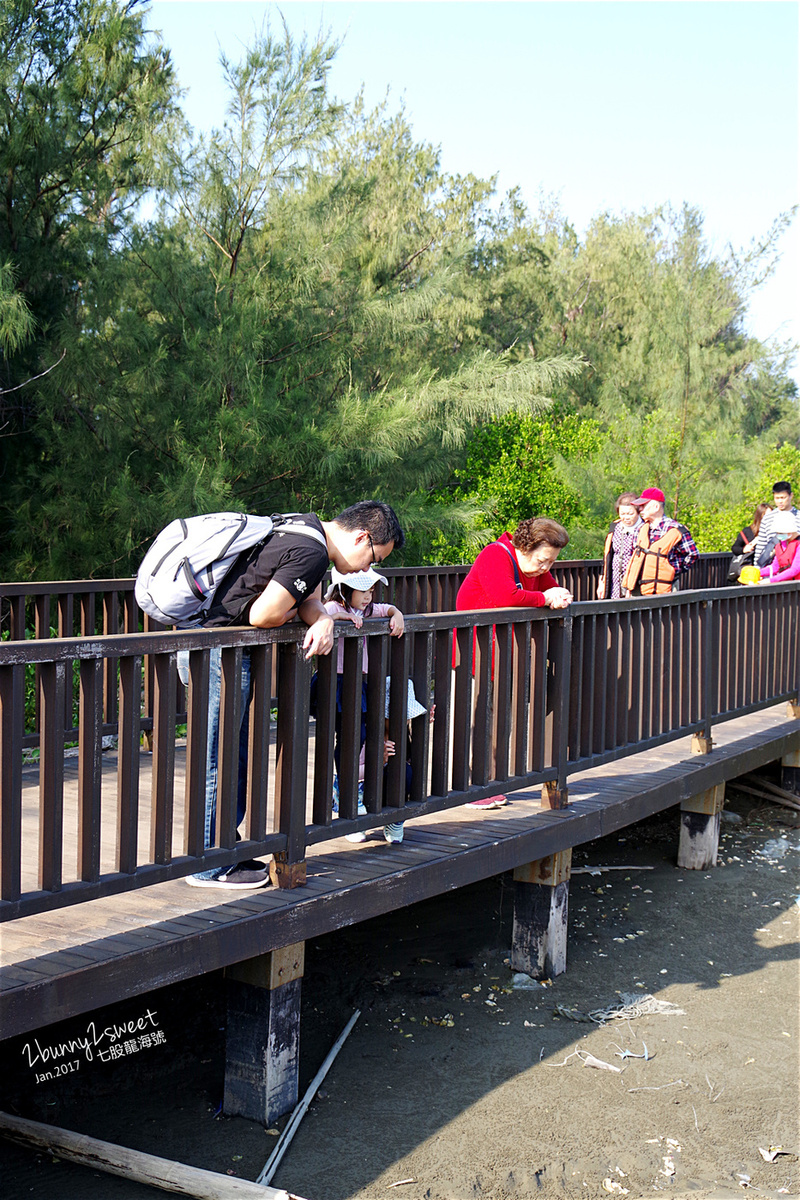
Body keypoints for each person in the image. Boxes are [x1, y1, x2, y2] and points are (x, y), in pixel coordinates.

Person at [177, 500, 404, 888]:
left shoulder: (307, 529)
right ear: (362, 537)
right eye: (372, 559)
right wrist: (308, 614)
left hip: (220, 652)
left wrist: (322, 619)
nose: (367, 570)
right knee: (218, 756)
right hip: (217, 654)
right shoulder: (311, 551)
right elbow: (264, 615)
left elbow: (308, 602)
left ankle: (225, 849)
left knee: (234, 753)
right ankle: (208, 865)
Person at [322, 566, 405, 844]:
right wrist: (339, 616)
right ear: (345, 589)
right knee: (345, 738)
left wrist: (397, 615)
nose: (369, 596)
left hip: (361, 682)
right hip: (337, 681)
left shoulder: (368, 611)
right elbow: (321, 615)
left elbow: (388, 608)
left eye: (371, 590)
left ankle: (355, 795)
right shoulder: (333, 605)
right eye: (363, 590)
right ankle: (343, 796)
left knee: (361, 735)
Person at [456, 517, 573, 612]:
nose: (546, 568)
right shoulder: (494, 554)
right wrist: (544, 598)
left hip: (505, 637)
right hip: (476, 638)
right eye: (541, 561)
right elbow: (506, 597)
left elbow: (554, 591)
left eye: (551, 562)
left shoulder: (537, 570)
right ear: (524, 548)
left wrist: (561, 597)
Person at [622, 488, 699, 596]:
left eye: (643, 506)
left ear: (656, 507)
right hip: (636, 591)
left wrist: (673, 570)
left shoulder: (676, 529)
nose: (640, 509)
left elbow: (693, 554)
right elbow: (633, 556)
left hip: (664, 590)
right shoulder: (640, 529)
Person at [597, 493, 642, 599]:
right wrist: (602, 582)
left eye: (630, 514)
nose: (626, 517)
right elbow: (607, 556)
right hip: (614, 581)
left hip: (635, 582)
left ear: (638, 512)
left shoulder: (644, 528)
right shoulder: (615, 527)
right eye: (622, 514)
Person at [753, 482, 800, 568]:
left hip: (794, 569)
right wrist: (757, 569)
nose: (780, 501)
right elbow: (761, 546)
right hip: (770, 569)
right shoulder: (767, 518)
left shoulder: (798, 516)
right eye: (777, 498)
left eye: (783, 498)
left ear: (791, 496)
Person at [727, 503, 771, 582]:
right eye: (766, 515)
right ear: (760, 516)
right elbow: (735, 548)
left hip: (767, 571)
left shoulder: (774, 532)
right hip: (749, 573)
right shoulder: (748, 531)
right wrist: (744, 549)